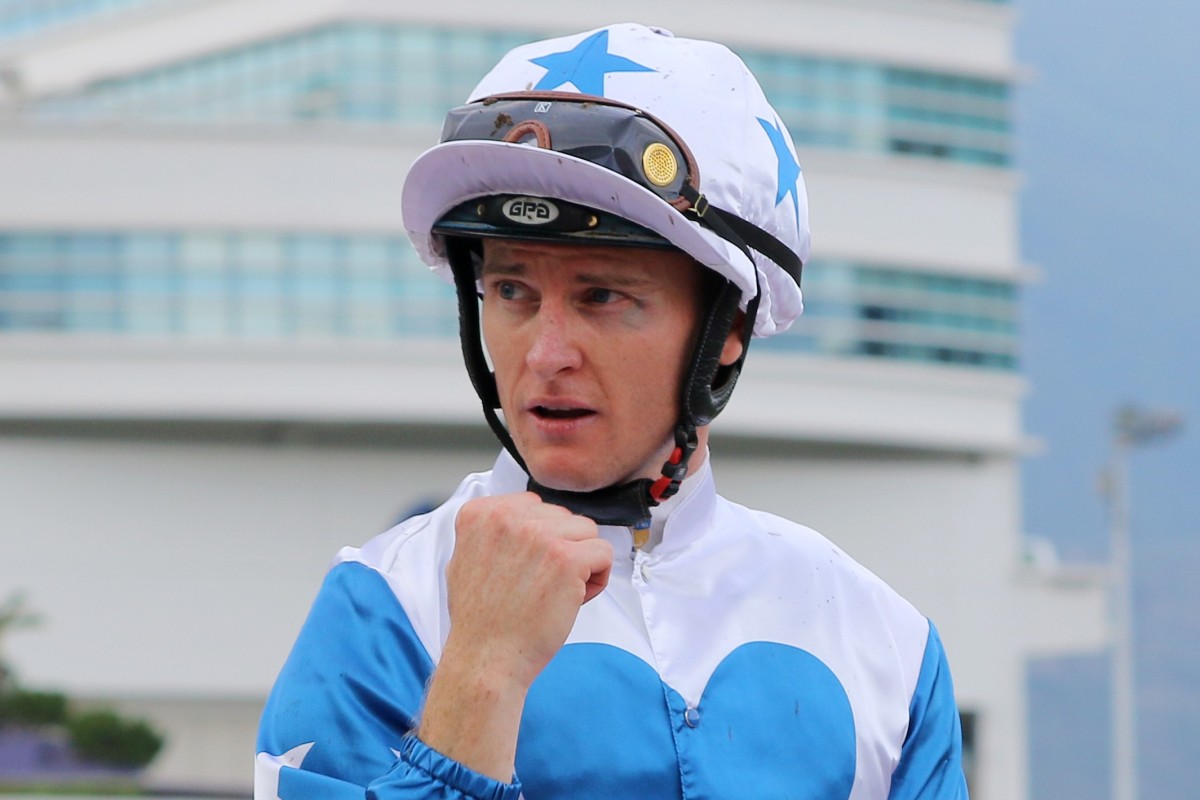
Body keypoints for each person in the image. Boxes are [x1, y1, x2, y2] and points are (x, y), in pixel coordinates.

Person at [255, 22, 969, 800]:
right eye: (512, 291)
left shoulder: (885, 641)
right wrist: (482, 672)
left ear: (727, 329)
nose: (545, 352)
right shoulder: (382, 605)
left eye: (602, 295)